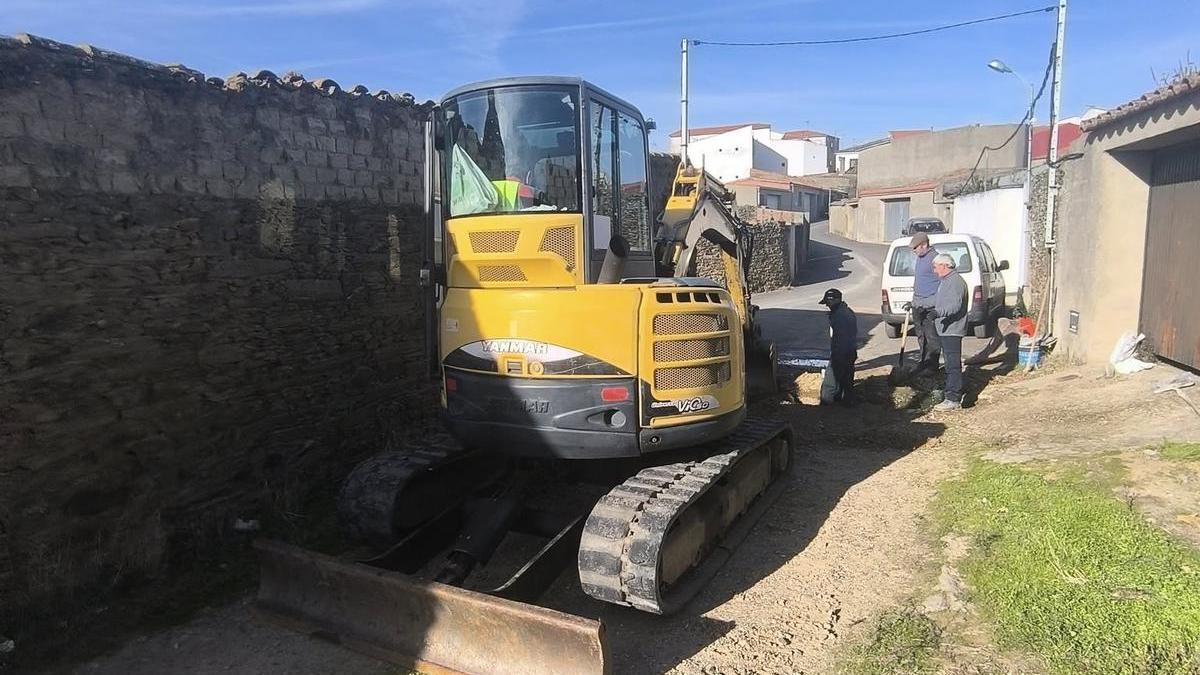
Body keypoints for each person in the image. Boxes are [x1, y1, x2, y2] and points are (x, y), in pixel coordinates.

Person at [930, 254, 968, 411]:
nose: (934, 270)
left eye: (935, 267)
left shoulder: (956, 282)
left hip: (952, 330)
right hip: (945, 329)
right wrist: (916, 304)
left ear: (944, 266)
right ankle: (951, 393)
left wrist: (938, 313)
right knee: (948, 363)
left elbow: (955, 306)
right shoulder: (946, 281)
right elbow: (938, 300)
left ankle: (953, 398)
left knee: (952, 364)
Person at [908, 232, 941, 372]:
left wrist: (932, 302)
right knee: (921, 335)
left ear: (924, 245)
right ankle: (923, 361)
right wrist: (913, 302)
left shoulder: (936, 259)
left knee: (931, 336)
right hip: (918, 304)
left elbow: (942, 283)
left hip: (930, 305)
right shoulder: (920, 258)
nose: (913, 251)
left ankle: (932, 366)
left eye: (915, 248)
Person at [819, 288, 858, 405]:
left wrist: (837, 356)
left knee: (830, 384)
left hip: (841, 353)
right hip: (850, 351)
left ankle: (825, 408)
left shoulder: (840, 316)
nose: (827, 306)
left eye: (828, 303)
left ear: (834, 301)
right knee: (846, 380)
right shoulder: (846, 311)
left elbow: (841, 337)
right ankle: (846, 403)